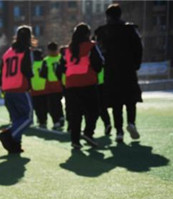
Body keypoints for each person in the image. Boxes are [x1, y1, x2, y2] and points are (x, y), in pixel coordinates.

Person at [95, 3, 143, 142]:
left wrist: (102, 65)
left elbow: (98, 51)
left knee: (116, 102)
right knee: (130, 99)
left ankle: (119, 131)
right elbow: (139, 47)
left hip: (111, 70)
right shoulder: (130, 29)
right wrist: (136, 64)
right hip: (128, 69)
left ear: (107, 16)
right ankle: (131, 123)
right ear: (120, 14)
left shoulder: (102, 32)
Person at [58, 23, 103, 150]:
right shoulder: (91, 46)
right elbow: (99, 63)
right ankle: (88, 132)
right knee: (94, 110)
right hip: (87, 82)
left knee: (75, 113)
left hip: (71, 84)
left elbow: (61, 68)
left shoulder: (68, 50)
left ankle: (75, 140)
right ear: (88, 34)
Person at [0, 26, 34, 154]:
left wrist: (2, 85)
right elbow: (27, 70)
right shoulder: (26, 51)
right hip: (20, 88)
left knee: (16, 119)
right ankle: (9, 134)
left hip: (7, 90)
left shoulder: (7, 52)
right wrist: (30, 85)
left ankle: (15, 146)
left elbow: (1, 72)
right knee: (28, 118)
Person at [40, 42, 65, 130]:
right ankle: (61, 116)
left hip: (51, 85)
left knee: (52, 105)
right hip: (61, 84)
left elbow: (42, 74)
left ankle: (56, 121)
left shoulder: (46, 60)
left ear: (48, 50)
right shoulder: (61, 57)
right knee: (58, 103)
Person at [30, 48, 48, 128]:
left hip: (34, 89)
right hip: (45, 88)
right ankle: (44, 119)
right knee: (44, 106)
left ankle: (41, 120)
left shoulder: (31, 65)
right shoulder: (44, 63)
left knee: (37, 107)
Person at [96, 66, 112, 135]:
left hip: (93, 82)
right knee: (102, 107)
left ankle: (89, 129)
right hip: (102, 82)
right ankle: (107, 123)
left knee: (93, 108)